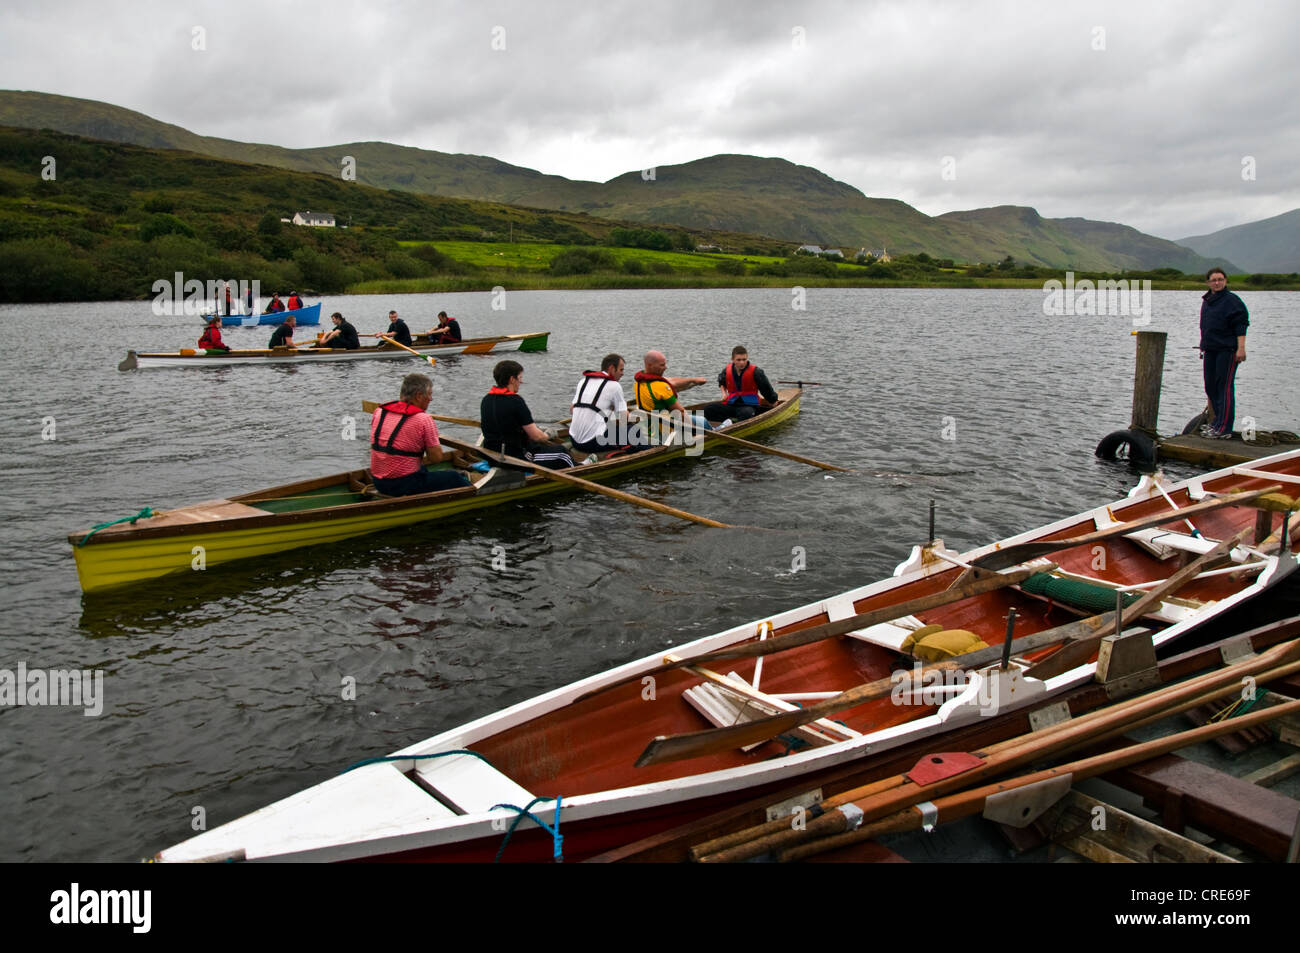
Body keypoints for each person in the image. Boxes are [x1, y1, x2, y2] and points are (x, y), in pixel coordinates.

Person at [370, 373, 472, 496]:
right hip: (403, 484)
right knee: (454, 477)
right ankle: (475, 495)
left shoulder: (380, 411)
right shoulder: (423, 419)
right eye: (429, 394)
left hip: (377, 481)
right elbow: (436, 459)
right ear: (419, 396)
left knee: (421, 469)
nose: (431, 399)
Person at [481, 360, 573, 469]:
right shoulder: (516, 401)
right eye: (520, 378)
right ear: (512, 379)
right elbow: (537, 437)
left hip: (491, 455)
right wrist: (548, 435)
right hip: (515, 458)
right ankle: (582, 468)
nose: (521, 382)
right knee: (562, 453)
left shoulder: (486, 399)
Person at [1199, 268, 1249, 440]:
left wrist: (1241, 348)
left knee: (1224, 388)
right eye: (1213, 280)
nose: (1217, 282)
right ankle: (1217, 422)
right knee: (1210, 386)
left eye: (1220, 279)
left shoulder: (1232, 301)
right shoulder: (1208, 300)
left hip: (1227, 351)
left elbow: (1241, 325)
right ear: (1208, 283)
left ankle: (1224, 428)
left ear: (1226, 281)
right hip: (1210, 349)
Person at [569, 353, 651, 457]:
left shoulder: (583, 381)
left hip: (573, 439)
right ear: (612, 368)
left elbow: (572, 409)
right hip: (591, 444)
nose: (623, 373)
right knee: (633, 431)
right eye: (621, 370)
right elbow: (623, 419)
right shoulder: (614, 386)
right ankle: (650, 452)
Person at [633, 350, 711, 441]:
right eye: (662, 365)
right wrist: (693, 433)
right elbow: (681, 412)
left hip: (650, 427)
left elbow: (670, 381)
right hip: (666, 430)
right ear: (650, 365)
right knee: (702, 421)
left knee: (696, 418)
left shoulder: (639, 382)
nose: (666, 367)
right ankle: (718, 431)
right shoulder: (661, 387)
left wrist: (693, 380)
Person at [701, 346, 779, 425]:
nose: (742, 362)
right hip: (732, 404)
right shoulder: (727, 370)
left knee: (746, 413)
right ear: (733, 359)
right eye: (738, 360)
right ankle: (702, 428)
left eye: (744, 359)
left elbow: (766, 390)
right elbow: (721, 381)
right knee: (708, 409)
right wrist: (724, 393)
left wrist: (773, 401)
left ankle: (730, 424)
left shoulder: (756, 372)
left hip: (749, 406)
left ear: (747, 358)